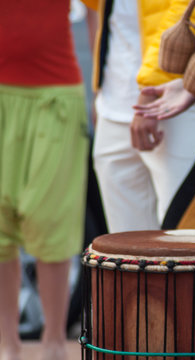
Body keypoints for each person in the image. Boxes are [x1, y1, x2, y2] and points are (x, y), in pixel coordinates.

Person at [83, 0, 195, 233]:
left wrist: (149, 91)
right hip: (113, 102)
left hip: (183, 98)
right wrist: (98, 90)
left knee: (188, 243)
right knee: (127, 250)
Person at [0, 2, 91, 360]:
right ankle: (8, 342)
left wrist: (101, 89)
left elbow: (96, 13)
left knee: (49, 217)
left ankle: (54, 339)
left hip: (55, 93)